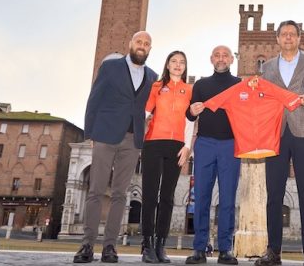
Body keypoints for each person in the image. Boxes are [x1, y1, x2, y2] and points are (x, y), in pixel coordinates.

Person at [74, 31, 158, 264]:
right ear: (130, 44)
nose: (142, 46)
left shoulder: (153, 76)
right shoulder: (111, 67)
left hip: (133, 140)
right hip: (105, 134)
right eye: (139, 42)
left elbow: (153, 108)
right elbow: (94, 99)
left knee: (121, 194)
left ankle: (110, 246)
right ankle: (87, 245)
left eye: (147, 44)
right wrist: (89, 133)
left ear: (150, 49)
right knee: (96, 190)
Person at [255, 20, 304, 266]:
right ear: (277, 39)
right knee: (274, 194)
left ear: (299, 38)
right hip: (276, 134)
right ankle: (273, 251)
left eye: (292, 34)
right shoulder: (267, 67)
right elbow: (262, 100)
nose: (288, 38)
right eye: (283, 34)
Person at [184, 45, 241, 265]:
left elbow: (249, 113)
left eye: (225, 55)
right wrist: (192, 111)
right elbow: (189, 116)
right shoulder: (200, 85)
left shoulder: (238, 84)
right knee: (202, 198)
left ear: (231, 60)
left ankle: (225, 249)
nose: (221, 58)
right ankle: (199, 248)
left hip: (230, 145)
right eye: (217, 55)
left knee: (227, 199)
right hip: (205, 144)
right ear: (211, 59)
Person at [141, 50, 194, 263]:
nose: (178, 65)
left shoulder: (189, 90)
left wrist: (188, 147)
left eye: (182, 62)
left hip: (177, 147)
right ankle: (147, 245)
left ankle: (161, 244)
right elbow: (144, 114)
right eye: (174, 61)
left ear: (185, 66)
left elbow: (190, 121)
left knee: (168, 198)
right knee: (150, 196)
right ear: (168, 64)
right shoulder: (156, 87)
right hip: (153, 143)